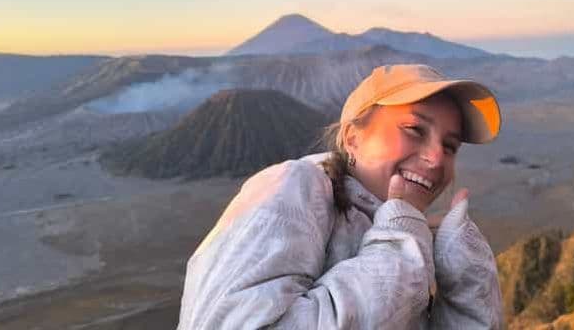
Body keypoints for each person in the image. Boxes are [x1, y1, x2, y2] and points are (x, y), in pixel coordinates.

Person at [177, 64, 504, 329]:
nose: (436, 157)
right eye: (414, 130)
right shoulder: (294, 186)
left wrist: (467, 287)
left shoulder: (401, 229)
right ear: (352, 138)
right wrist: (397, 251)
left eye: (450, 146)